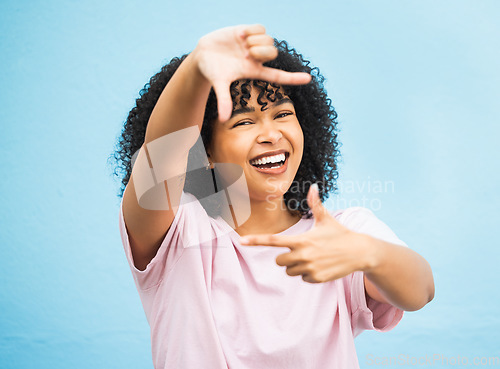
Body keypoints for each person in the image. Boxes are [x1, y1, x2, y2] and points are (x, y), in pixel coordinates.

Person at [112, 24, 435, 369]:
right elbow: (159, 160)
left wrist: (370, 254)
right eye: (243, 122)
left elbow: (420, 291)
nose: (270, 133)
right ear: (202, 149)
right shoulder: (179, 234)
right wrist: (196, 69)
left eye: (283, 114)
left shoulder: (340, 235)